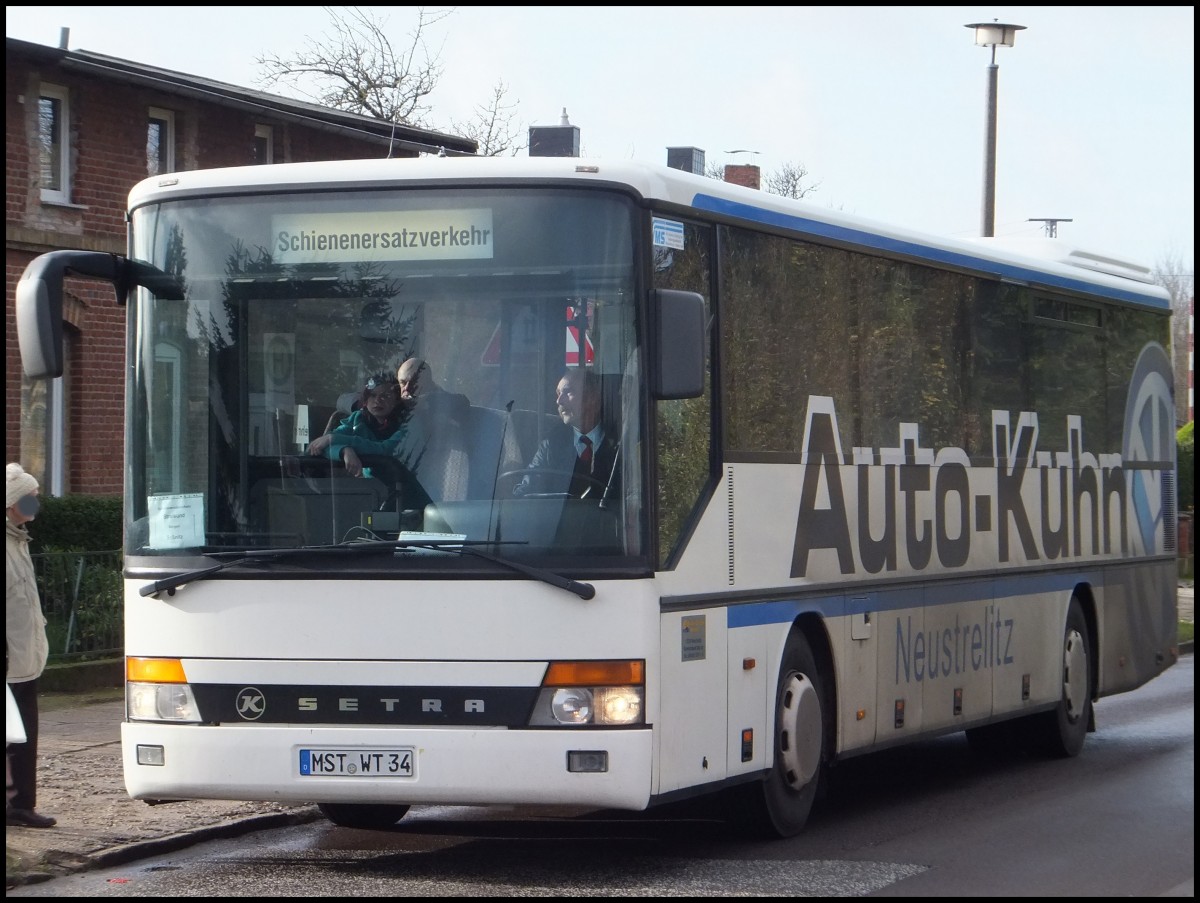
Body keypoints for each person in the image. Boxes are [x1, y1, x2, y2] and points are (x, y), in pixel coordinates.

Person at [6, 463, 56, 829]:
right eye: (31, 497)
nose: (36, 503)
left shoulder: (17, 541)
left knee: (24, 736)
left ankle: (22, 804)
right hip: (10, 659)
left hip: (25, 657)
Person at [513, 368, 619, 500]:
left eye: (568, 392)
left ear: (593, 398)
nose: (559, 401)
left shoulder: (620, 441)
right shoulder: (552, 443)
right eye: (558, 394)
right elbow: (526, 489)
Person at [307, 372, 406, 477]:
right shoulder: (357, 419)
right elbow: (318, 447)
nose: (377, 400)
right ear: (365, 400)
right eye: (372, 395)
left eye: (385, 396)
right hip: (373, 490)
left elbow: (384, 450)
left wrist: (333, 439)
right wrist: (344, 450)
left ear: (396, 401)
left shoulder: (406, 423)